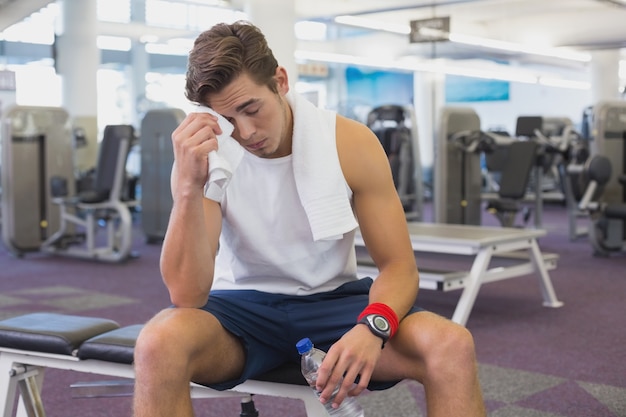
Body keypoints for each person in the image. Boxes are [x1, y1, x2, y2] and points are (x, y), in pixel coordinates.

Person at [132, 20, 486, 417]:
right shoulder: (209, 154)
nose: (245, 133)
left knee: (451, 345)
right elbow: (186, 295)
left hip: (333, 304)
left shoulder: (350, 143)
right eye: (229, 119)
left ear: (280, 81)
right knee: (157, 342)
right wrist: (186, 188)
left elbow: (400, 267)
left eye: (252, 109)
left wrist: (373, 327)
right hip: (240, 312)